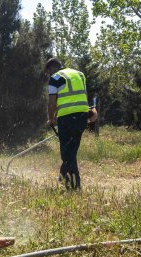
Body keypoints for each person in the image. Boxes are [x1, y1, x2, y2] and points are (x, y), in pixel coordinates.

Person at [45, 57, 97, 190]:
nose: (49, 74)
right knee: (71, 151)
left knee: (66, 153)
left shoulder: (55, 78)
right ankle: (64, 178)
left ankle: (74, 186)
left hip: (66, 118)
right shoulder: (79, 74)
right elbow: (83, 96)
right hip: (81, 116)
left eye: (49, 71)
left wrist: (51, 119)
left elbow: (52, 103)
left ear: (52, 68)